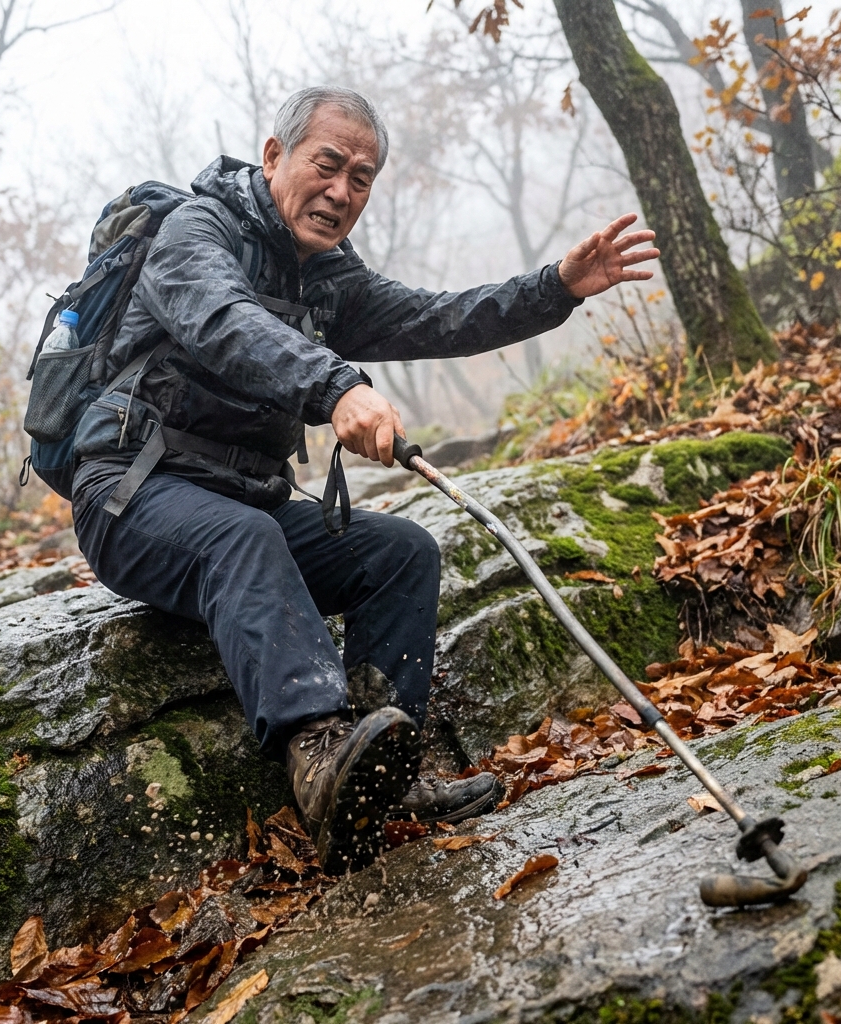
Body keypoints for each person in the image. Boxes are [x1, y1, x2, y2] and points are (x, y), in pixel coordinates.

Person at [71, 86, 660, 875]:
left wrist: (553, 287)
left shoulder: (326, 276)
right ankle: (319, 759)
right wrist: (336, 387)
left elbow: (437, 318)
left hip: (242, 500)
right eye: (328, 164)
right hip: (131, 495)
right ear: (274, 156)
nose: (343, 191)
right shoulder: (194, 234)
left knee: (401, 551)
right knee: (243, 539)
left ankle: (383, 772)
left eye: (363, 178)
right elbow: (223, 322)